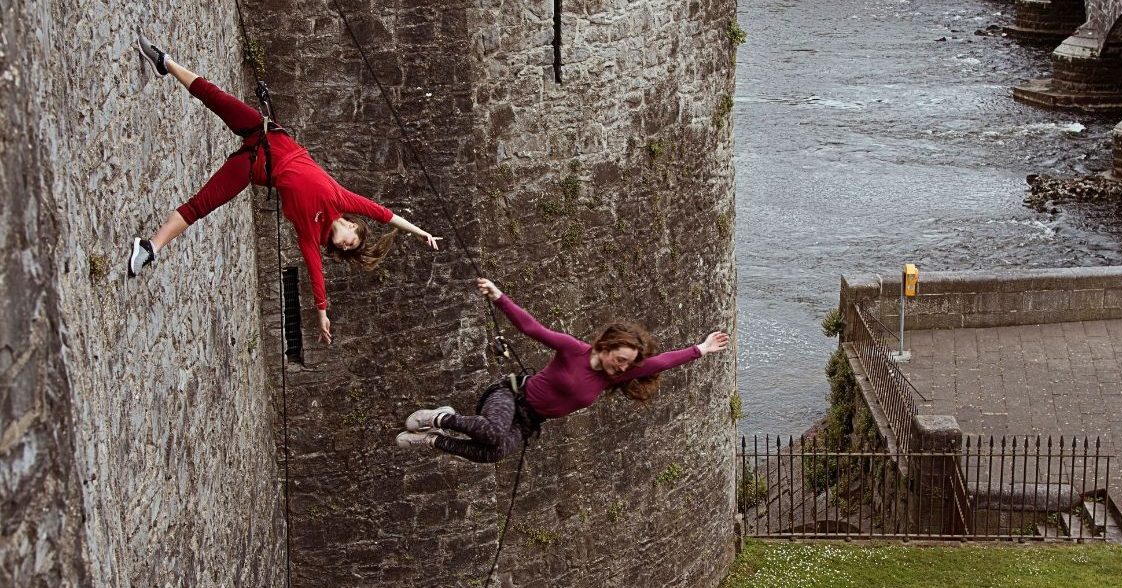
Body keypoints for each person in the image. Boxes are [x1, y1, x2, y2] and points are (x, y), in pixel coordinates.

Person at [129, 32, 441, 343]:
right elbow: (383, 214)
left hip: (254, 164)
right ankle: (165, 62)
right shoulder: (339, 198)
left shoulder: (310, 235)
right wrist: (420, 232)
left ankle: (150, 247)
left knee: (201, 206)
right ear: (349, 223)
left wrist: (322, 315)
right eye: (352, 240)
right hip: (266, 133)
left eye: (348, 249)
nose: (347, 245)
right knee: (214, 95)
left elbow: (316, 276)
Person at [397, 278, 731, 462]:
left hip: (529, 421)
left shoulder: (617, 375)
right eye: (622, 358)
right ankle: (438, 418)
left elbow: (661, 362)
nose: (624, 366)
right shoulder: (573, 350)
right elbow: (533, 329)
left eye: (629, 363)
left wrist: (700, 349)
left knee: (494, 452)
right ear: (607, 346)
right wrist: (499, 297)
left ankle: (433, 442)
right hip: (511, 396)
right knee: (494, 432)